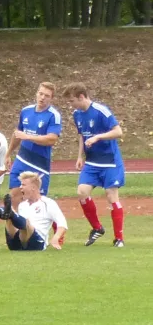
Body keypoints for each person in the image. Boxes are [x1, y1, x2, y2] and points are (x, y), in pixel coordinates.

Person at [62, 82, 125, 247]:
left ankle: (119, 238)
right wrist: (79, 156)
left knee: (111, 196)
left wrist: (98, 137)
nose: (71, 106)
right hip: (91, 162)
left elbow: (118, 132)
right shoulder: (77, 114)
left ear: (81, 97)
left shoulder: (101, 111)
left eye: (72, 101)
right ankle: (97, 228)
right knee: (82, 192)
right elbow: (82, 136)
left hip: (110, 161)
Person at [4, 82, 63, 241]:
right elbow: (17, 134)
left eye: (47, 96)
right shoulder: (26, 111)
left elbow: (51, 139)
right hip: (22, 159)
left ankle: (57, 233)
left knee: (39, 202)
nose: (42, 98)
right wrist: (8, 153)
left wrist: (28, 137)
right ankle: (15, 235)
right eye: (41, 93)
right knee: (14, 196)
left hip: (39, 164)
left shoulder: (53, 115)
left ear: (52, 99)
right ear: (37, 93)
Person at [0, 171, 68, 251]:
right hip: (17, 244)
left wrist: (55, 238)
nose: (20, 187)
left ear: (33, 187)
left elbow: (63, 224)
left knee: (25, 222)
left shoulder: (48, 203)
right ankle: (1, 212)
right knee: (10, 219)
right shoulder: (22, 205)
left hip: (37, 244)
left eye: (23, 185)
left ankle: (3, 211)